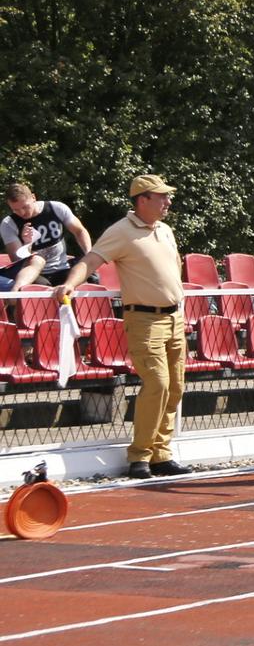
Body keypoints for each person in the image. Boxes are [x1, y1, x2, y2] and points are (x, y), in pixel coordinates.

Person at [52, 175, 190, 480]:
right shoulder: (121, 231)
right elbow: (90, 261)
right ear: (142, 199)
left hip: (174, 318)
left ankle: (161, 454)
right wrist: (70, 284)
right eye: (162, 197)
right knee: (158, 384)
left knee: (176, 386)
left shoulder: (165, 230)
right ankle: (140, 456)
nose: (168, 202)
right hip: (144, 319)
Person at [3, 183, 92, 290]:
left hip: (62, 268)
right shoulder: (8, 224)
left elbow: (80, 231)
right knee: (43, 287)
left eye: (25, 207)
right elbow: (17, 261)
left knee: (83, 281)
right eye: (15, 210)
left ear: (33, 197)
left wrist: (89, 254)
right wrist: (27, 243)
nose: (22, 213)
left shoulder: (56, 208)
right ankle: (15, 295)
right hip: (35, 274)